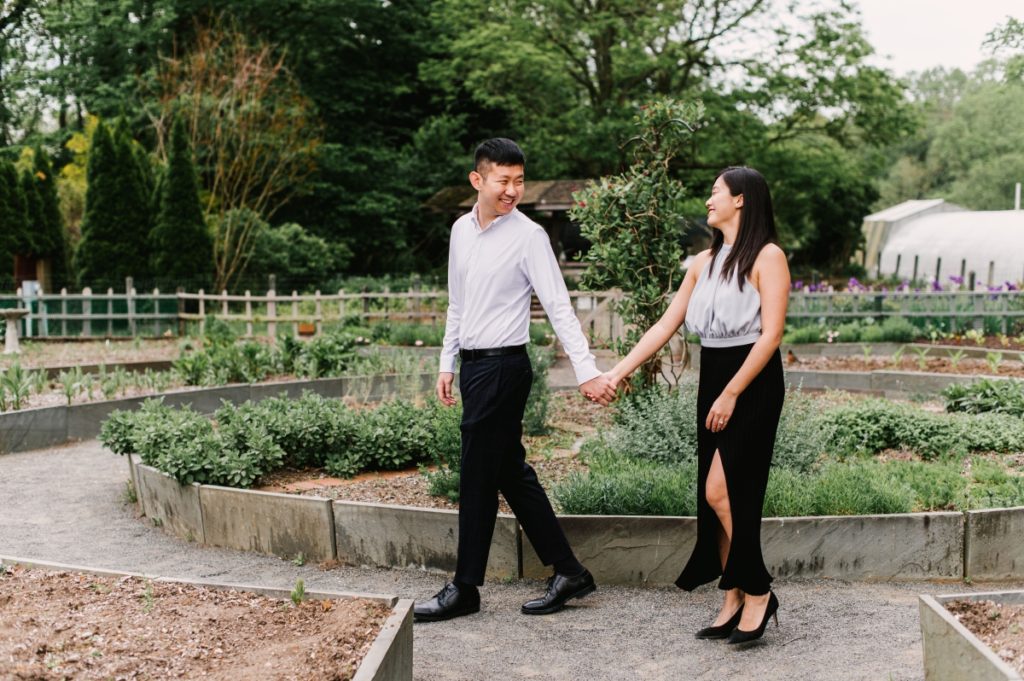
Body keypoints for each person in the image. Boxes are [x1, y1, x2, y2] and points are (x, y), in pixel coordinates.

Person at [413, 138, 617, 623]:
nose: (512, 190)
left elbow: (559, 307)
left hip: (506, 367)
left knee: (476, 474)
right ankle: (569, 571)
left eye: (519, 181)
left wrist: (586, 371)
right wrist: (447, 362)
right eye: (503, 181)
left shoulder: (529, 236)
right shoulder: (461, 231)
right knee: (508, 472)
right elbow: (457, 304)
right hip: (474, 366)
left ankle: (465, 588)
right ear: (477, 180)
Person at [604, 166, 790, 645]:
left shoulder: (768, 257)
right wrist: (617, 371)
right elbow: (664, 326)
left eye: (715, 193)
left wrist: (732, 392)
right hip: (714, 376)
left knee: (722, 491)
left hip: (751, 380)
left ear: (742, 200)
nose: (709, 202)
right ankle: (733, 595)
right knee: (718, 499)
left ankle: (759, 590)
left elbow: (771, 335)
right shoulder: (702, 262)